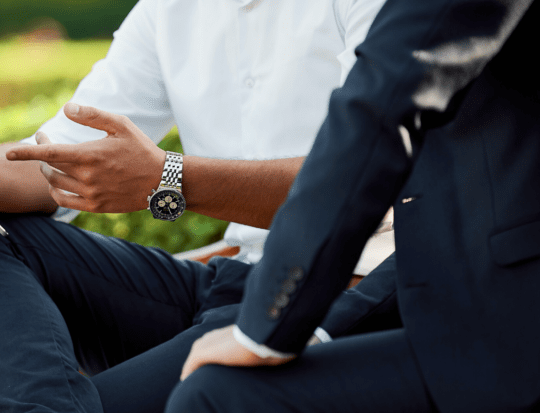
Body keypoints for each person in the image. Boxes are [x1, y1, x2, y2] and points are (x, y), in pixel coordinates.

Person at [0, 0, 389, 411]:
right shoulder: (168, 11)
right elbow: (62, 158)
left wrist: (170, 178)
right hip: (230, 282)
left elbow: (365, 181)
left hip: (341, 294)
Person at [166, 0, 540, 412]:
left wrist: (265, 326)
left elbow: (379, 107)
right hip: (429, 303)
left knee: (216, 396)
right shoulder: (167, 12)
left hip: (503, 327)